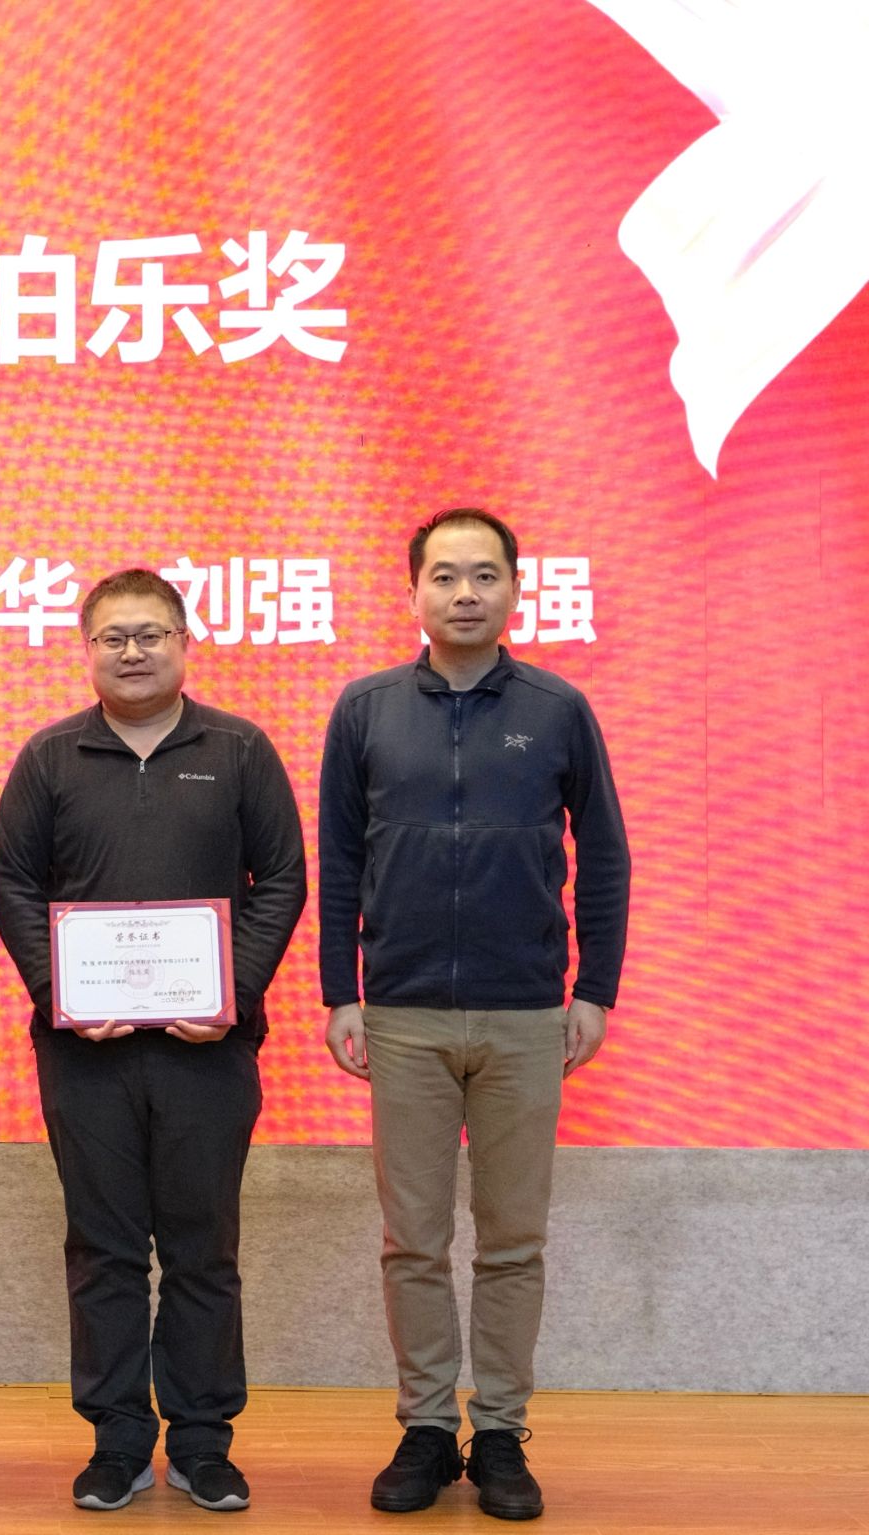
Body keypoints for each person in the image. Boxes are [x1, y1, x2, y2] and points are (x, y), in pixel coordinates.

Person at [319, 507, 630, 1522]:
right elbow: (340, 858)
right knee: (411, 1238)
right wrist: (339, 989)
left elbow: (606, 856)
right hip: (401, 1011)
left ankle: (497, 1429)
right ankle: (423, 1425)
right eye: (445, 575)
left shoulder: (556, 707)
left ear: (513, 589)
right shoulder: (365, 709)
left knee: (511, 1239)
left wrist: (593, 990)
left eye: (484, 574)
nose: (464, 592)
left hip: (524, 1012)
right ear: (412, 589)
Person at [0, 567, 305, 1514]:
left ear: (184, 642)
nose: (133, 651)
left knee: (205, 1249)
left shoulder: (239, 748)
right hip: (85, 1052)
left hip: (210, 1047)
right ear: (87, 649)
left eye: (151, 634)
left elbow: (283, 878)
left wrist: (234, 990)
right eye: (113, 637)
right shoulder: (50, 756)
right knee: (104, 1249)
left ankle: (203, 1440)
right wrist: (61, 991)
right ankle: (119, 1437)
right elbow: (11, 885)